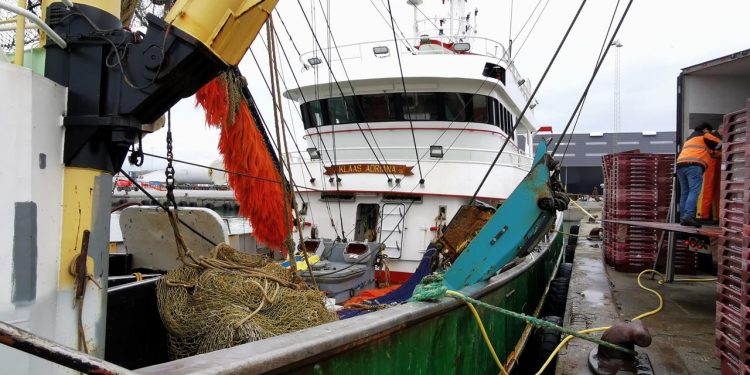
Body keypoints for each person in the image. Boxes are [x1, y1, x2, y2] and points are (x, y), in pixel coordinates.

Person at [676, 122, 721, 227]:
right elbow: (720, 144)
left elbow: (701, 150)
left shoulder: (689, 139)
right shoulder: (705, 135)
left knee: (684, 193)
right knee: (694, 191)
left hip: (680, 165)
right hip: (694, 165)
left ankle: (684, 218)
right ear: (705, 129)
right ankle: (689, 215)